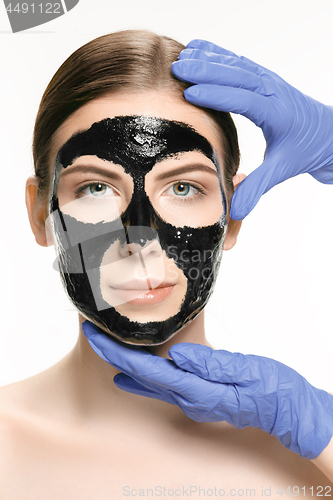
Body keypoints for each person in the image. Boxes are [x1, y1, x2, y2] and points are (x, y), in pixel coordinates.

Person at [0, 29, 332, 498]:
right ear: (40, 215)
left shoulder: (312, 461)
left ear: (233, 214)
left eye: (183, 188)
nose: (141, 240)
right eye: (95, 188)